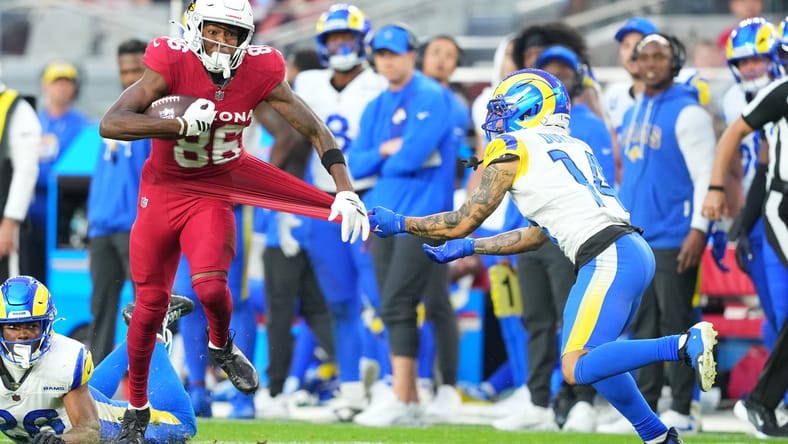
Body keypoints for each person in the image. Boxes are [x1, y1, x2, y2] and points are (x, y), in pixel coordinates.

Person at [368, 68, 719, 444]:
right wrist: (473, 247)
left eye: (503, 110)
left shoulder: (514, 146)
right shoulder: (572, 145)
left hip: (607, 256)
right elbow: (537, 234)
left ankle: (682, 344)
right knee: (593, 359)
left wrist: (401, 223)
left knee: (576, 365)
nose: (496, 120)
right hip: (626, 251)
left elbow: (462, 220)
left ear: (531, 108)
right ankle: (657, 436)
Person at [98, 0, 370, 440]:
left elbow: (314, 128)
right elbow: (111, 122)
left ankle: (222, 344)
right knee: (148, 308)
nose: (222, 42)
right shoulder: (171, 61)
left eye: (231, 33)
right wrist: (176, 125)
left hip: (213, 190)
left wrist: (345, 187)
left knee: (210, 287)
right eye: (214, 31)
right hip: (162, 192)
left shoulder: (260, 69)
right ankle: (137, 407)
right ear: (195, 28)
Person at [346, 23, 455, 427]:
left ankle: (403, 394)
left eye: (395, 53)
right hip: (383, 216)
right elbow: (355, 164)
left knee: (399, 301)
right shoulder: (376, 105)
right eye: (381, 54)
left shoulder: (431, 95)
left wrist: (384, 156)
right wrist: (386, 151)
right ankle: (407, 399)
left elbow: (411, 156)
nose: (388, 61)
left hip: (423, 216)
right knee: (390, 304)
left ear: (412, 54)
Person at [610, 32, 717, 435]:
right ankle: (648, 407)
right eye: (645, 56)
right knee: (644, 329)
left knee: (677, 324)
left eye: (660, 55)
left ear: (674, 61)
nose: (652, 62)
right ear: (635, 62)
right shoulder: (632, 109)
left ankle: (684, 408)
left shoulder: (689, 112)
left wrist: (699, 230)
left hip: (675, 235)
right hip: (637, 236)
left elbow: (706, 176)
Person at [288, 4, 388, 420]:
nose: (341, 46)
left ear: (362, 41)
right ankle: (351, 387)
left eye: (347, 38)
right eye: (333, 39)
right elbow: (291, 139)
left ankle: (392, 386)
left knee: (379, 300)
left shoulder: (379, 84)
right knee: (340, 302)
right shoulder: (308, 82)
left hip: (366, 195)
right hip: (322, 201)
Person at [701, 37, 788, 441]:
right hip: (782, 206)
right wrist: (717, 189)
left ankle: (763, 401)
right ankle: (762, 402)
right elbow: (736, 136)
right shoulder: (780, 91)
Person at [0, 275, 197, 443]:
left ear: (46, 325)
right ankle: (141, 325)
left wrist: (62, 441)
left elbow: (90, 430)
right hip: (72, 401)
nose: (22, 335)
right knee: (71, 387)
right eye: (13, 327)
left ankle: (153, 329)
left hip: (98, 419)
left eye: (31, 325)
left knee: (183, 422)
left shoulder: (63, 359)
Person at [84, 38, 151, 365]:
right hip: (102, 227)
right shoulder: (114, 112)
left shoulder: (155, 117)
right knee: (101, 307)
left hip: (135, 226)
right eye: (124, 71)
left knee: (144, 307)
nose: (129, 78)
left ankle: (146, 374)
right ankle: (94, 381)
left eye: (136, 70)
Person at [24, 61, 89, 283]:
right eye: (56, 82)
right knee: (29, 273)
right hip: (32, 214)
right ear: (45, 86)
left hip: (65, 214)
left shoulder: (83, 126)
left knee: (59, 278)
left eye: (67, 82)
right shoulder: (32, 122)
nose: (61, 88)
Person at [0, 70, 40, 282]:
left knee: (5, 288)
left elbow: (26, 169)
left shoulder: (16, 108)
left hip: (2, 220)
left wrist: (10, 221)